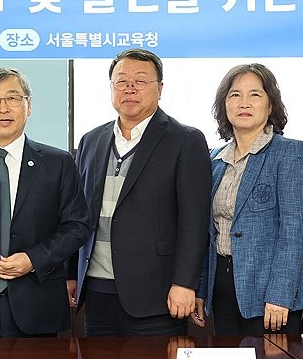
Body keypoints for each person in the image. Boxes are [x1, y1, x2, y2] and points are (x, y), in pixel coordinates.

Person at [69, 48, 213, 336]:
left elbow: (195, 221)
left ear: (159, 89)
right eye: (121, 81)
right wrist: (72, 273)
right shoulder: (91, 140)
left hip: (157, 295)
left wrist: (186, 283)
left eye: (140, 81)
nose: (130, 88)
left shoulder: (185, 140)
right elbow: (78, 214)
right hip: (96, 290)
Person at [0, 67, 90, 338]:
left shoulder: (58, 162)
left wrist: (33, 259)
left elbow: (77, 226)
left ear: (28, 105)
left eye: (13, 98)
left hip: (37, 301)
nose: (3, 108)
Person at [196, 64, 303, 336]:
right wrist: (201, 289)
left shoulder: (289, 152)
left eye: (255, 95)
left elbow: (294, 230)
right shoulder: (215, 159)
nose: (244, 103)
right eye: (235, 95)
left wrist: (280, 294)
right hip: (222, 287)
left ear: (271, 105)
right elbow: (207, 232)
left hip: (269, 294)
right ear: (224, 105)